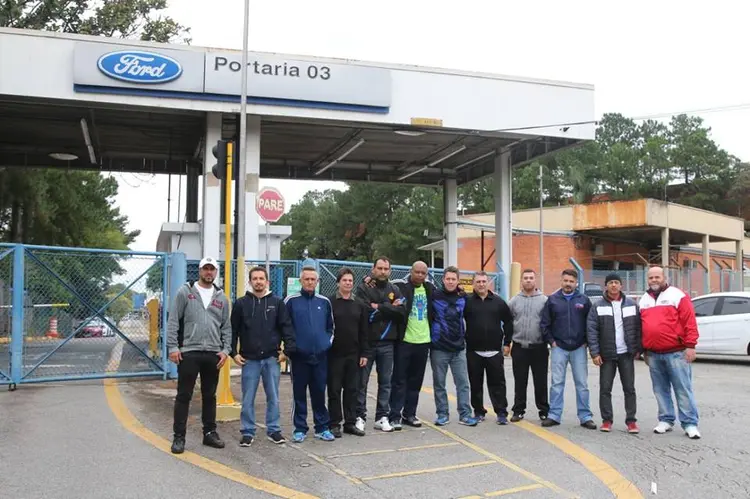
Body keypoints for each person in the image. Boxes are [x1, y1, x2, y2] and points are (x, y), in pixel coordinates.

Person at [167, 257, 232, 454]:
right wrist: (172, 347)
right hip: (189, 352)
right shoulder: (185, 292)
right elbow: (173, 321)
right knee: (184, 395)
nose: (209, 272)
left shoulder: (221, 297)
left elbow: (226, 327)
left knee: (209, 396)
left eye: (212, 269)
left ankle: (209, 433)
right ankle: (179, 437)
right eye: (206, 269)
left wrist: (226, 350)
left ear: (216, 272)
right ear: (200, 270)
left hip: (213, 353)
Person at [231, 266, 296, 447]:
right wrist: (233, 353)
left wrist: (286, 352)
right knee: (248, 397)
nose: (258, 281)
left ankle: (274, 430)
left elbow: (286, 328)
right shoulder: (241, 304)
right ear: (250, 281)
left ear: (267, 282)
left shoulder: (277, 302)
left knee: (273, 397)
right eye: (255, 278)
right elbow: (233, 330)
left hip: (271, 359)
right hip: (249, 359)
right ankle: (247, 432)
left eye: (261, 278)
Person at [639, 266, 701, 439]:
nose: (654, 280)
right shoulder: (644, 300)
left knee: (683, 389)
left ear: (664, 277)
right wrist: (644, 350)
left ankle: (690, 423)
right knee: (660, 389)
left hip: (677, 352)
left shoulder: (677, 295)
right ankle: (666, 420)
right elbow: (641, 327)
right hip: (653, 354)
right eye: (651, 278)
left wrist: (690, 345)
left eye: (657, 277)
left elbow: (689, 321)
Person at [354, 256, 407, 433]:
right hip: (367, 344)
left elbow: (401, 312)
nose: (383, 272)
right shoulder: (363, 288)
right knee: (361, 383)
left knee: (385, 383)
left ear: (390, 271)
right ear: (373, 269)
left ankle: (381, 417)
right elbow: (364, 310)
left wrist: (380, 307)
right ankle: (359, 416)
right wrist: (388, 308)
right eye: (380, 268)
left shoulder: (395, 289)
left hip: (387, 344)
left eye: (386, 269)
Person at [284, 266, 336, 443]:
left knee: (319, 392)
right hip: (299, 357)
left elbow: (331, 327)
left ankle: (322, 427)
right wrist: (292, 348)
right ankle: (300, 428)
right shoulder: (291, 301)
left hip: (320, 357)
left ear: (317, 282)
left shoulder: (324, 302)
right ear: (301, 281)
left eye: (313, 279)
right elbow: (285, 327)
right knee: (299, 393)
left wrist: (325, 344)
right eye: (306, 279)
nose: (309, 282)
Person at [540, 269, 596, 429]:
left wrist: (586, 341)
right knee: (557, 383)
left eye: (571, 281)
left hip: (579, 348)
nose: (568, 284)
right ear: (561, 281)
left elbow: (590, 323)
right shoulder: (552, 300)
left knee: (582, 384)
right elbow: (545, 323)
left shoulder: (584, 300)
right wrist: (551, 341)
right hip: (559, 348)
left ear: (576, 283)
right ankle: (554, 415)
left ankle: (585, 416)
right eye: (565, 281)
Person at [586, 273, 641, 434]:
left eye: (616, 282)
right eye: (610, 283)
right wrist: (595, 353)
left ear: (621, 285)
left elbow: (638, 328)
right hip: (607, 354)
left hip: (626, 354)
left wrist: (638, 349)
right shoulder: (597, 306)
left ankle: (631, 422)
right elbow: (592, 330)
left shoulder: (631, 304)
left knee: (629, 388)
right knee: (605, 389)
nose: (614, 285)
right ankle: (607, 420)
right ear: (606, 286)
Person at [429, 266, 479, 427]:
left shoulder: (464, 297)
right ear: (443, 279)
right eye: (448, 278)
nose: (450, 281)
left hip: (459, 349)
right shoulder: (434, 295)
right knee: (439, 384)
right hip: (439, 348)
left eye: (453, 279)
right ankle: (442, 414)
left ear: (458, 281)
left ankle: (465, 414)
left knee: (463, 383)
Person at [389, 261, 435, 429]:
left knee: (416, 381)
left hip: (423, 342)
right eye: (417, 272)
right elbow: (383, 287)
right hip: (405, 341)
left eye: (424, 273)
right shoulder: (401, 287)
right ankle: (394, 415)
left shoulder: (430, 289)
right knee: (399, 380)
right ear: (411, 271)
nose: (420, 275)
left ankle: (410, 414)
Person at [464, 271, 514, 425]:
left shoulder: (498, 302)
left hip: (494, 351)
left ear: (488, 283)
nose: (481, 284)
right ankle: (478, 411)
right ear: (473, 284)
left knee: (497, 384)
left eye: (484, 281)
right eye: (478, 281)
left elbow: (508, 322)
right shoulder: (467, 302)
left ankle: (501, 413)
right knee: (475, 383)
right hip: (474, 351)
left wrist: (507, 342)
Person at [328, 267, 369, 438]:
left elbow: (364, 330)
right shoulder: (329, 302)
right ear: (338, 282)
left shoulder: (359, 304)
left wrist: (364, 353)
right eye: (344, 280)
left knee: (352, 390)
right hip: (334, 354)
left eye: (350, 280)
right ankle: (335, 423)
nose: (347, 283)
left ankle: (350, 423)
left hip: (354, 354)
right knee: (334, 390)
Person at [508, 269, 549, 423]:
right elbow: (508, 321)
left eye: (531, 278)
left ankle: (544, 411)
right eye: (525, 278)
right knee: (520, 380)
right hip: (519, 347)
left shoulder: (544, 300)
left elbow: (548, 322)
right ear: (521, 280)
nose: (528, 280)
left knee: (540, 381)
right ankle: (518, 410)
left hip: (539, 347)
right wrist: (507, 342)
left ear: (535, 280)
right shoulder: (514, 301)